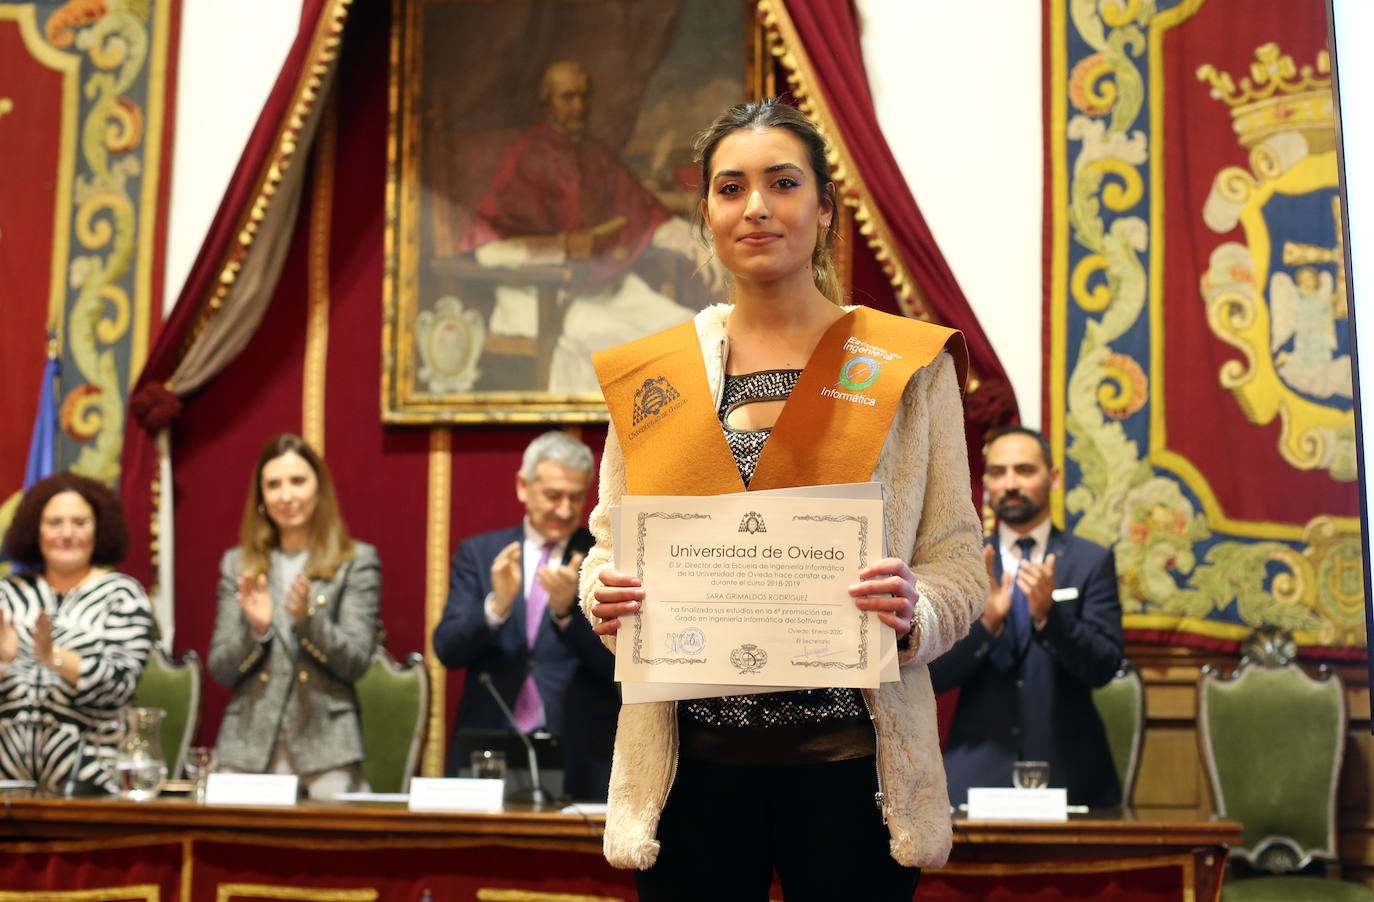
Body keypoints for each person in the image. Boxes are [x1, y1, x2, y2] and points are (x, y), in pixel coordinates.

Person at [582, 98, 986, 901]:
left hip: (856, 778)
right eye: (730, 188)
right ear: (705, 215)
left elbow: (957, 562)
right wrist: (606, 592)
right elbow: (607, 545)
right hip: (687, 778)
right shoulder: (654, 374)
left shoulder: (906, 366)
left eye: (783, 183)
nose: (757, 206)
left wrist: (917, 609)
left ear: (825, 209)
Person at [457, 59, 722, 393]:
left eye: (583, 97)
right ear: (547, 102)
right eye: (568, 97)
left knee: (689, 330)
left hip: (603, 287)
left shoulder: (595, 155)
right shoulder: (524, 156)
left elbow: (643, 214)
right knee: (619, 346)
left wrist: (694, 243)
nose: (578, 107)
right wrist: (563, 248)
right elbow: (488, 251)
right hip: (538, 296)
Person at [929, 426, 1124, 808]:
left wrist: (1049, 617)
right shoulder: (962, 562)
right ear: (985, 483)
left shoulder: (1090, 561)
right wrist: (987, 623)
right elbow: (934, 674)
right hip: (976, 771)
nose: (1011, 483)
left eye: (1024, 470)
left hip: (1070, 772)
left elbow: (1104, 667)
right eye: (998, 473)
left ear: (1052, 478)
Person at [432, 430, 618, 801]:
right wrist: (496, 606)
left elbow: (620, 668)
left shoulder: (602, 558)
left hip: (578, 749)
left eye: (576, 497)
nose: (565, 509)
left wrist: (567, 612)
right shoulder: (480, 553)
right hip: (490, 744)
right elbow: (447, 649)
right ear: (523, 486)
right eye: (553, 495)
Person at [207, 434, 380, 800]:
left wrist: (308, 622)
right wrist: (257, 631)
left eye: (297, 481)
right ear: (261, 498)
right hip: (247, 749)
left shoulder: (355, 561)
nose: (286, 496)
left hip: (328, 749)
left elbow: (356, 662)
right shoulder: (238, 564)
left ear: (320, 489)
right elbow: (221, 668)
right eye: (273, 485)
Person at [0, 472, 154, 794]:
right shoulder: (7, 594)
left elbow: (119, 685)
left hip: (92, 781)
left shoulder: (122, 595)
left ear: (99, 530)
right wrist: (3, 662)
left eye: (80, 523)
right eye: (54, 523)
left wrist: (53, 657)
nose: (67, 534)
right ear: (35, 530)